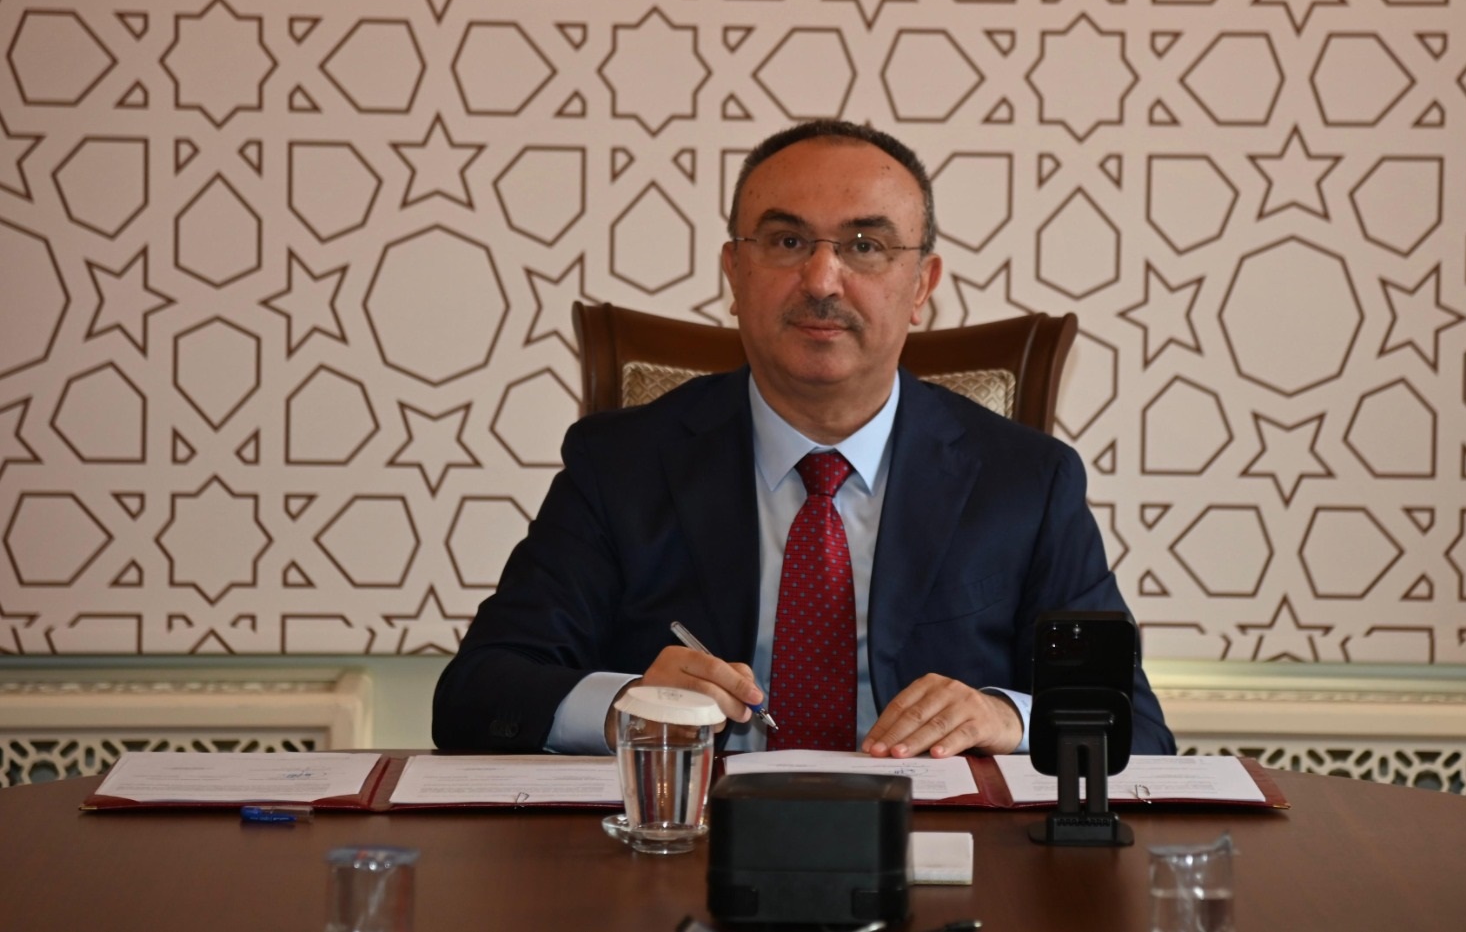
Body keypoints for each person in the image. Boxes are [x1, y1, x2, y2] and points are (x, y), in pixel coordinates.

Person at [432, 120, 1175, 758]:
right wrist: (624, 703)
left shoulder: (1027, 481)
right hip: (688, 845)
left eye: (865, 245)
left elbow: (1139, 731)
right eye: (787, 241)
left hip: (933, 850)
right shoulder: (620, 464)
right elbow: (476, 693)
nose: (822, 279)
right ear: (734, 271)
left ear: (922, 285)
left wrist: (1005, 716)